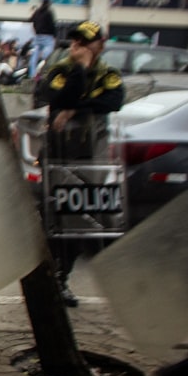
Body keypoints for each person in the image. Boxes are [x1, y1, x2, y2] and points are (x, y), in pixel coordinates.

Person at [36, 21, 124, 307]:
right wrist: (81, 70)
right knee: (56, 220)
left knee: (80, 221)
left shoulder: (108, 73)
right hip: (61, 156)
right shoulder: (59, 69)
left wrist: (76, 108)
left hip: (91, 157)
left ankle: (63, 277)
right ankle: (51, 279)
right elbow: (61, 97)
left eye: (86, 42)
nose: (79, 47)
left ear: (100, 43)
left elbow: (114, 100)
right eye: (76, 42)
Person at [28, 0, 57, 78]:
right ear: (48, 4)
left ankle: (32, 75)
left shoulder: (37, 12)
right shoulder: (49, 12)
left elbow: (31, 20)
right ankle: (44, 71)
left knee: (34, 56)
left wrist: (36, 31)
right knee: (48, 55)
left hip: (37, 36)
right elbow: (52, 25)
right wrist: (55, 36)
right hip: (48, 36)